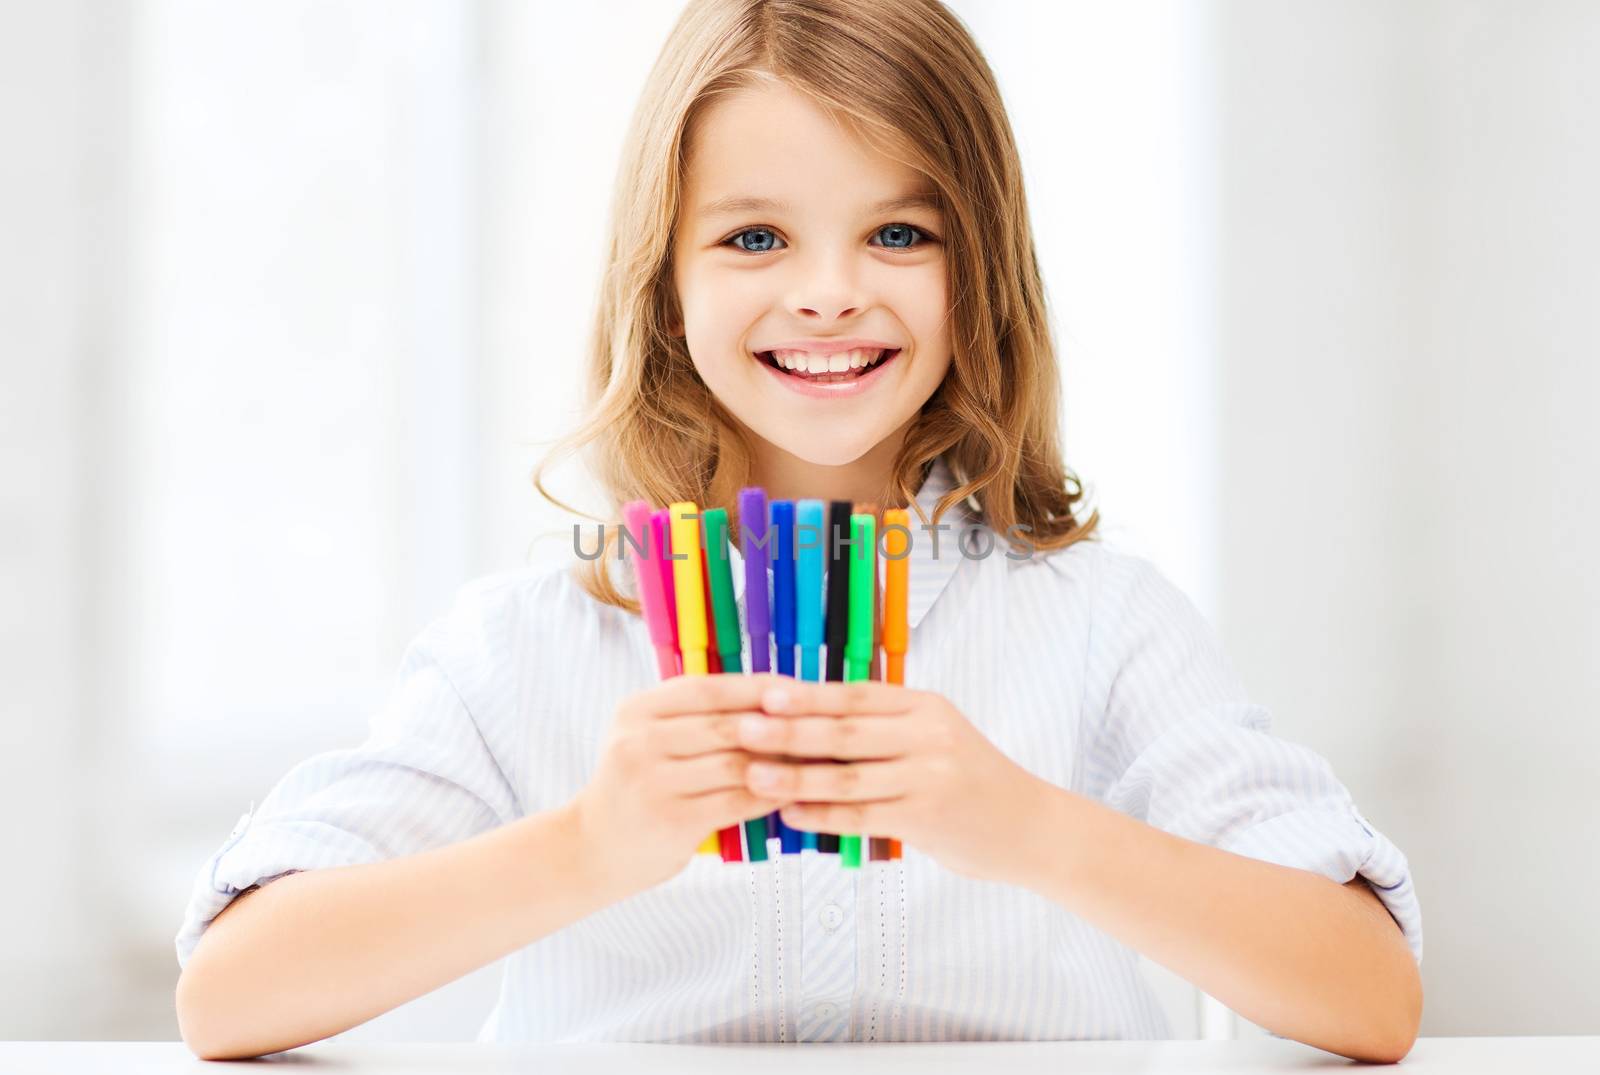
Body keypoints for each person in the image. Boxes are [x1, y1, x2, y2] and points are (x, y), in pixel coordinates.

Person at [174, 0, 1422, 1061]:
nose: (828, 288)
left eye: (898, 232)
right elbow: (231, 995)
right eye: (754, 236)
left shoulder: (1098, 621)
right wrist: (586, 847)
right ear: (665, 289)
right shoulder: (528, 642)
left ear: (975, 275)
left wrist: (1029, 825)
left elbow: (1368, 993)